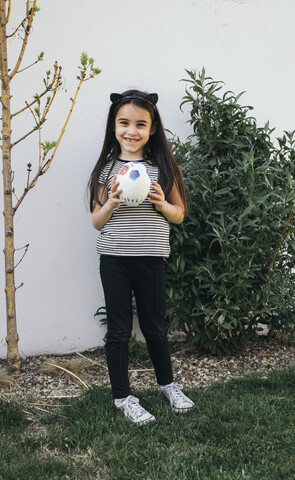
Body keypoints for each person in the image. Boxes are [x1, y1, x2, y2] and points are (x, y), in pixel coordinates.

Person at [88, 89, 194, 424]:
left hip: (151, 258)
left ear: (152, 129)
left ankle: (168, 385)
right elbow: (96, 221)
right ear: (114, 126)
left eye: (140, 124)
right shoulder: (107, 170)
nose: (131, 131)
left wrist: (162, 204)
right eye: (124, 123)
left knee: (154, 327)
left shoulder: (161, 168)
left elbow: (179, 213)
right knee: (118, 330)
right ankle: (123, 397)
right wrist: (112, 202)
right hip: (115, 259)